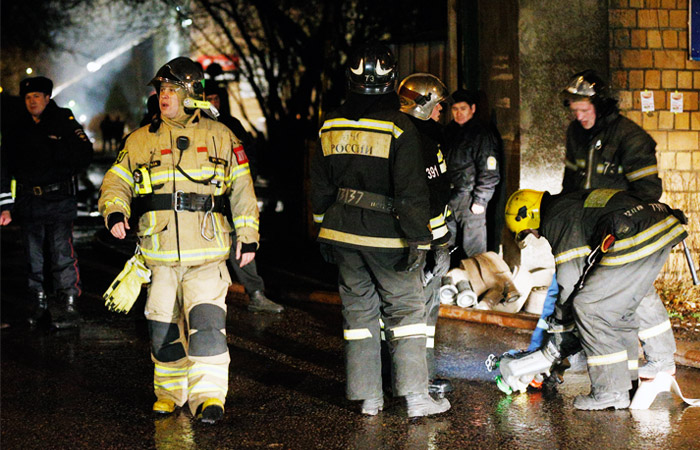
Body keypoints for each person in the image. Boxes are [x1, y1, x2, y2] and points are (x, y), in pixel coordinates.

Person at [98, 57, 260, 424]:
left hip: (207, 256)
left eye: (172, 90)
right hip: (160, 257)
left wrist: (248, 236)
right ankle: (169, 394)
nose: (164, 96)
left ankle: (209, 396)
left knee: (207, 328)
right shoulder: (140, 140)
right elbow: (116, 181)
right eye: (161, 90)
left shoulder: (222, 136)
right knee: (163, 331)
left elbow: (243, 189)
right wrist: (115, 211)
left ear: (191, 94)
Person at [310, 44, 450, 418]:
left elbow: (320, 185)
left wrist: (322, 227)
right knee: (405, 312)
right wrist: (420, 239)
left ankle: (368, 398)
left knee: (359, 316)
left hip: (343, 234)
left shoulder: (330, 123)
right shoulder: (399, 127)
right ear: (390, 82)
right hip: (389, 237)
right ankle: (416, 398)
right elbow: (411, 191)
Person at [527, 70, 674, 381]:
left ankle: (661, 359)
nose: (579, 117)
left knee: (638, 293)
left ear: (601, 105)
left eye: (584, 109)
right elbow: (570, 185)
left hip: (623, 231)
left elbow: (648, 191)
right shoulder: (576, 134)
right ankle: (558, 360)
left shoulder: (630, 138)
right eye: (575, 110)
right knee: (570, 292)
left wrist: (616, 215)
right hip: (587, 230)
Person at [504, 188, 686, 410]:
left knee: (591, 307)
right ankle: (655, 365)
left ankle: (610, 391)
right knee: (633, 295)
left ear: (528, 215)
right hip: (662, 223)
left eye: (529, 232)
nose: (535, 235)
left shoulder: (556, 219)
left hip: (633, 233)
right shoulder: (568, 202)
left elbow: (569, 278)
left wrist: (560, 328)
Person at [2, 76, 93, 329]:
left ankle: (68, 305)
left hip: (59, 199)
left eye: (36, 96)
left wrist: (56, 155)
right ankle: (38, 304)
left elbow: (84, 153)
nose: (32, 101)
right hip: (30, 200)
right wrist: (5, 205)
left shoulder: (63, 119)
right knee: (33, 258)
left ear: (47, 98)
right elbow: (4, 165)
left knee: (61, 254)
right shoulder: (17, 126)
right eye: (28, 97)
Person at [397, 73, 453, 397]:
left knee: (408, 311)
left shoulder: (410, 136)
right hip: (419, 244)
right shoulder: (417, 142)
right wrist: (439, 244)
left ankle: (409, 375)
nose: (441, 110)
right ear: (423, 105)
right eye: (438, 105)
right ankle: (418, 379)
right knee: (420, 311)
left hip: (412, 241)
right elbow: (427, 199)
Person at [204, 86, 283, 313]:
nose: (212, 103)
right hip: (203, 203)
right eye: (208, 98)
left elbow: (248, 156)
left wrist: (248, 179)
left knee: (240, 243)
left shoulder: (231, 125)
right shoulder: (195, 126)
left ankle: (256, 293)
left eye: (216, 98)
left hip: (229, 198)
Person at [443, 89, 500, 260]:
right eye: (455, 109)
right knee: (446, 246)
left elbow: (489, 170)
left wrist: (480, 199)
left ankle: (476, 277)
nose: (458, 113)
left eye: (463, 108)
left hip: (470, 198)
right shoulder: (449, 131)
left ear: (472, 109)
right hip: (450, 197)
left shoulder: (481, 134)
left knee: (474, 250)